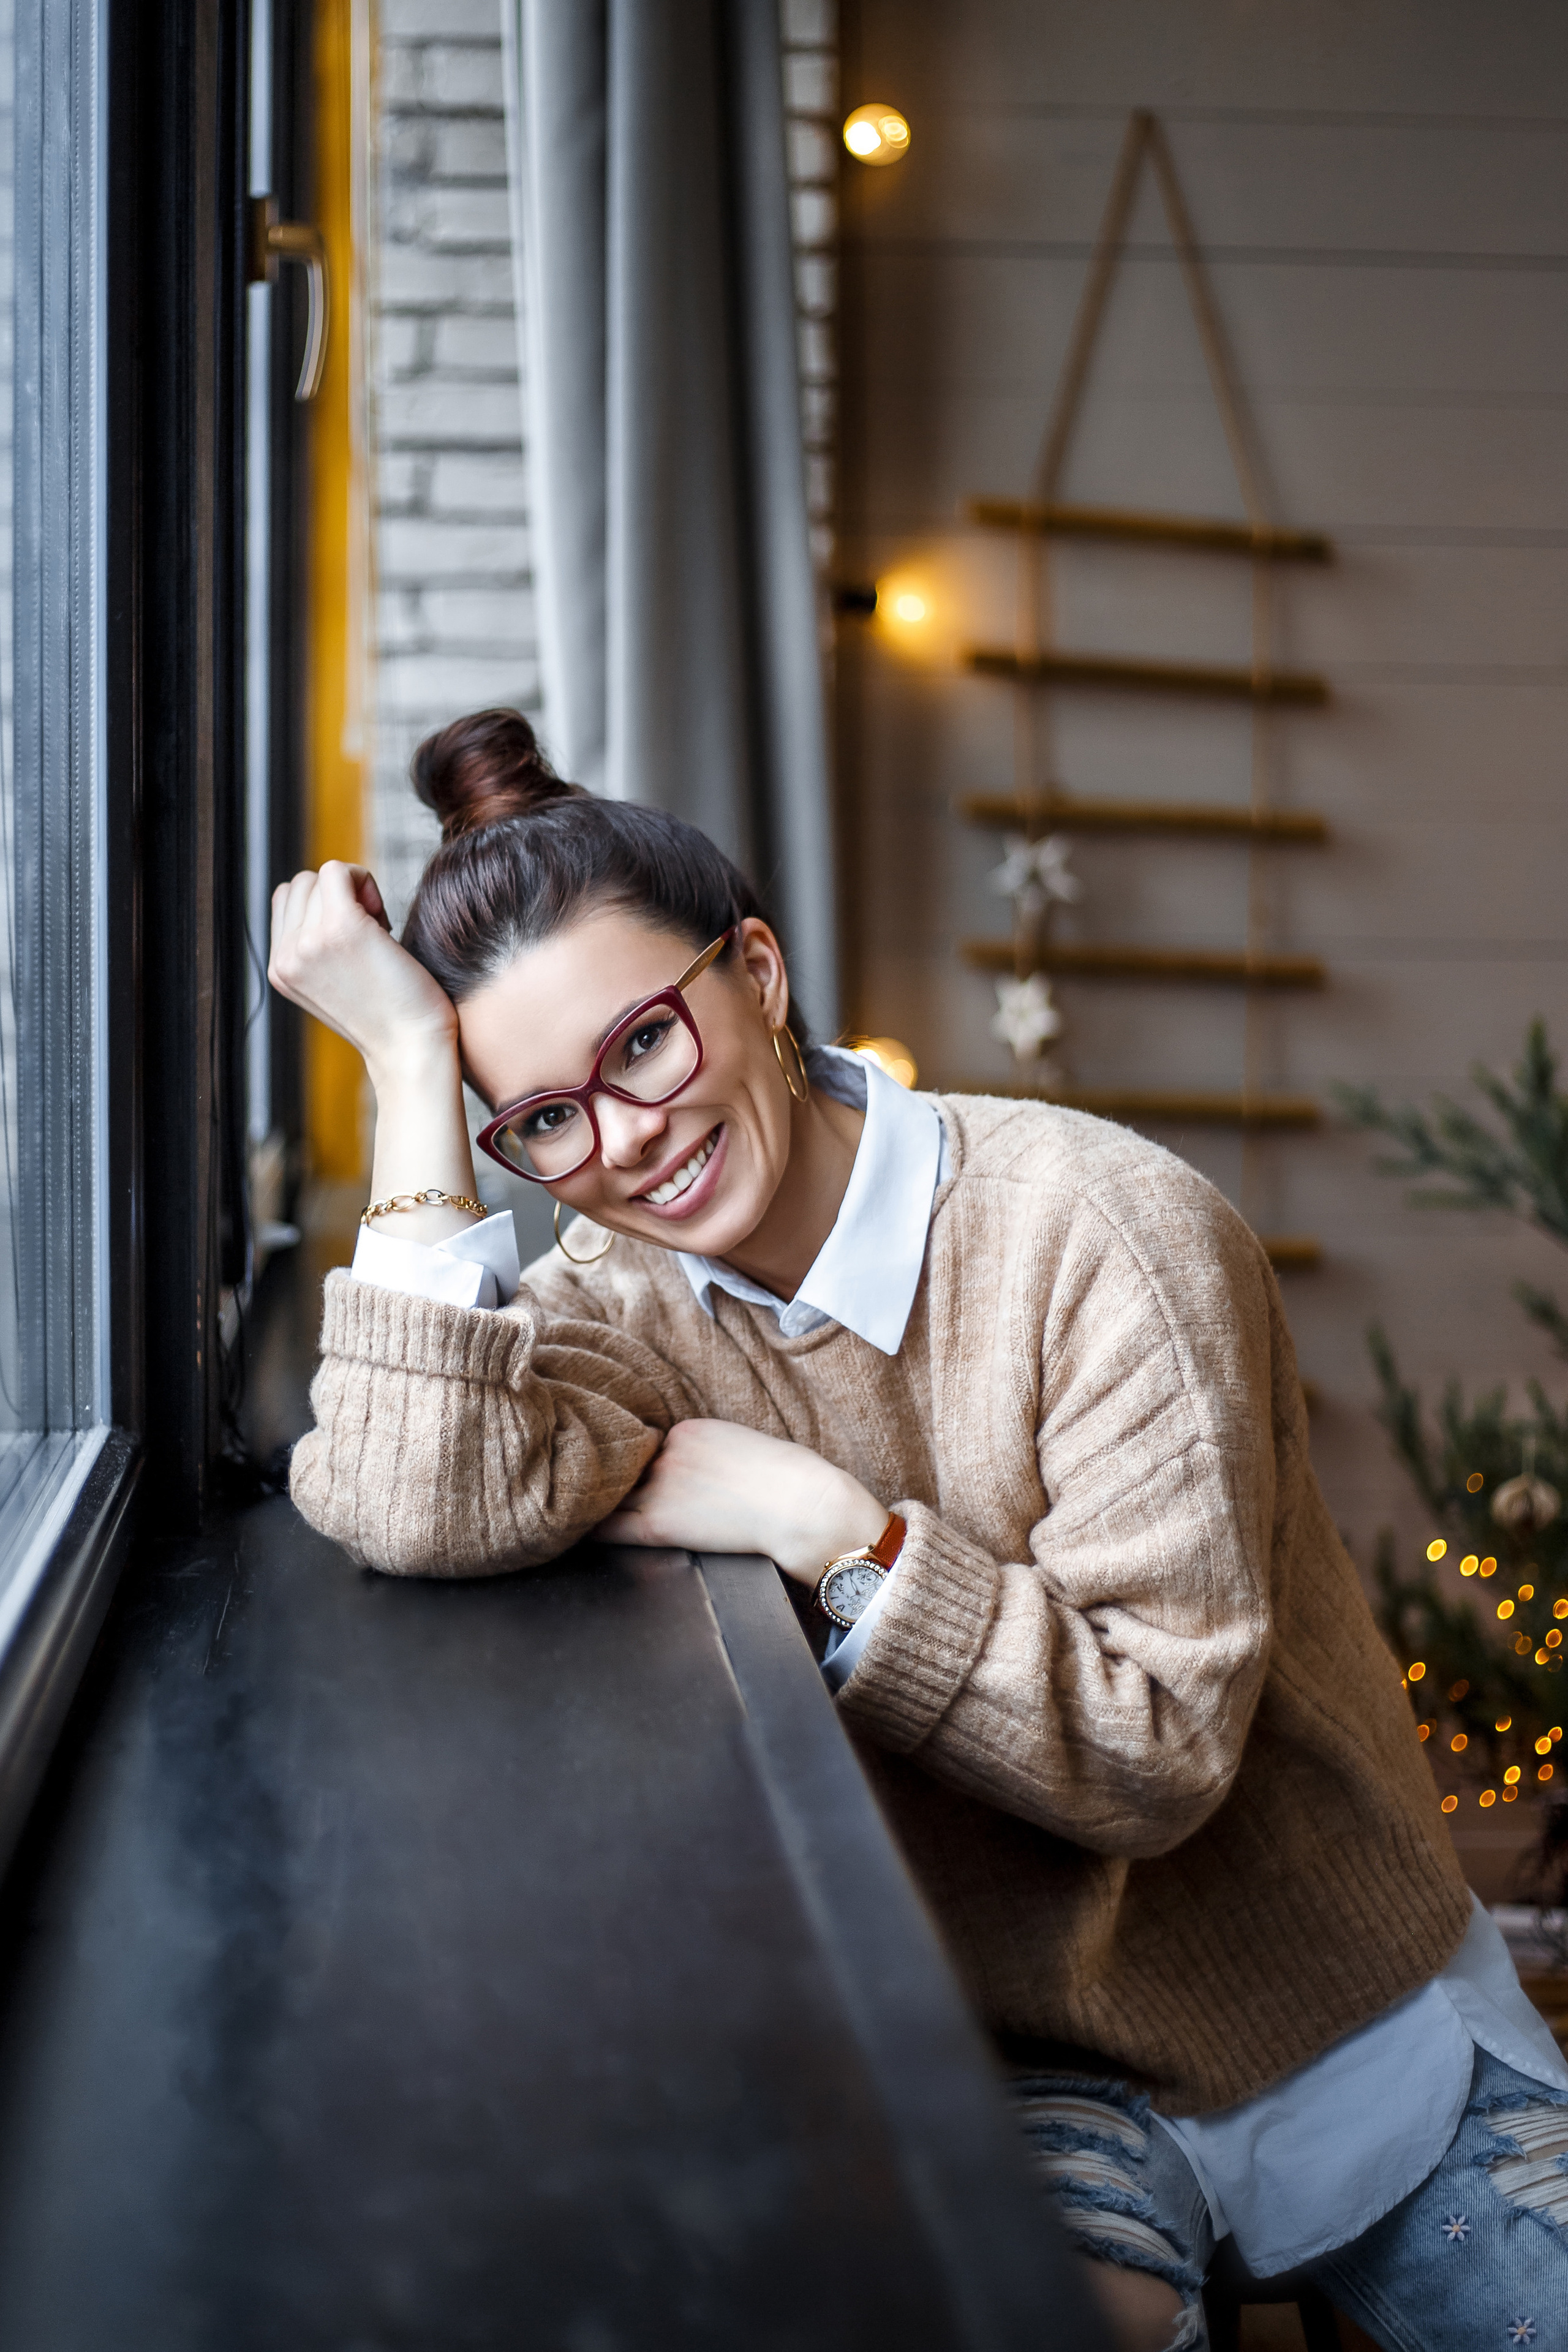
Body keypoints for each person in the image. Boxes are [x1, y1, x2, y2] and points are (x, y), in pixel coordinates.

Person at [271, 709, 1568, 2352]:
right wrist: (398, 1070)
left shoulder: (1103, 1233)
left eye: (646, 1044)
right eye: (542, 1122)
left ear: (757, 971)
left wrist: (830, 1529)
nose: (628, 1140)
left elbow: (1152, 1755)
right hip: (1026, 2080)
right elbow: (408, 1493)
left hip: (1352, 2036)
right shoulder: (612, 1306)